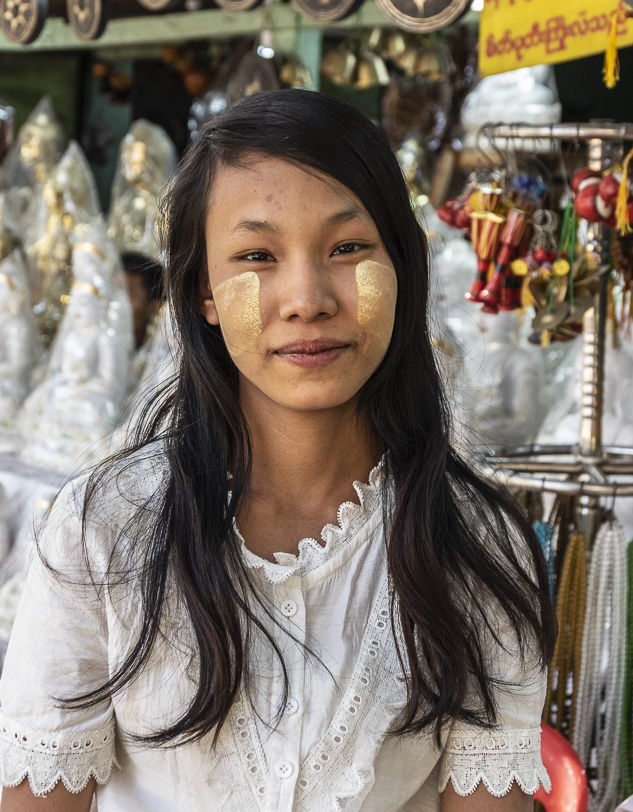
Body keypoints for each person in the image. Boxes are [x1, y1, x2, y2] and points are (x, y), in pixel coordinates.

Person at [0, 91, 556, 812]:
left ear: (403, 267)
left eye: (348, 247)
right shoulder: (100, 532)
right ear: (202, 290)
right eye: (256, 255)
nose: (305, 297)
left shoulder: (475, 550)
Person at [121, 251, 164, 349]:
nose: (115, 304)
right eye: (111, 293)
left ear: (154, 308)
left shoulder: (161, 358)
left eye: (127, 295)